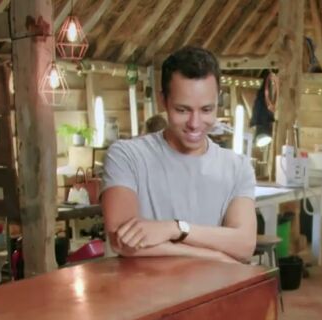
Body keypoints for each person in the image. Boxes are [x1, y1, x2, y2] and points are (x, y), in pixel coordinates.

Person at [101, 46, 256, 264]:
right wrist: (217, 256)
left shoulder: (238, 167)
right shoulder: (126, 156)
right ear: (163, 101)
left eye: (206, 110)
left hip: (215, 286)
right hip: (146, 288)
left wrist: (175, 229)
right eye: (182, 110)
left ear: (218, 101)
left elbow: (245, 245)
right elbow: (122, 242)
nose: (195, 123)